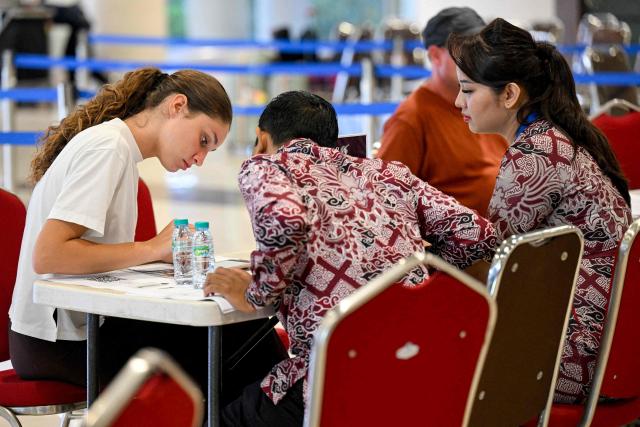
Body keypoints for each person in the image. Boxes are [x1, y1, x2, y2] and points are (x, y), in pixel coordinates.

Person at [204, 90, 498, 426]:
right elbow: (478, 233)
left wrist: (256, 292)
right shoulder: (390, 173)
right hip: (419, 371)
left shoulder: (268, 166)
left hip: (335, 382)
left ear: (262, 139)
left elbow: (286, 221)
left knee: (219, 415)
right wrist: (412, 276)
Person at [8, 67, 287, 400]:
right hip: (55, 343)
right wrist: (152, 249)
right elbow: (49, 255)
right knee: (225, 352)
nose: (199, 159)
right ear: (176, 106)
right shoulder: (107, 148)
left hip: (81, 330)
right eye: (202, 140)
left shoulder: (118, 149)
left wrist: (158, 259)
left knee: (244, 335)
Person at [448, 18, 632, 403]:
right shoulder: (559, 135)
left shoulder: (535, 154)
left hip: (575, 356)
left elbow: (490, 260)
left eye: (468, 90)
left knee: (432, 351)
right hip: (613, 346)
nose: (458, 103)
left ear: (510, 94)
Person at [376, 7, 508, 215]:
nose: (480, 59)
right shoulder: (411, 119)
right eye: (468, 50)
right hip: (459, 243)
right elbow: (385, 199)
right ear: (435, 56)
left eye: (482, 50)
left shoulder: (487, 100)